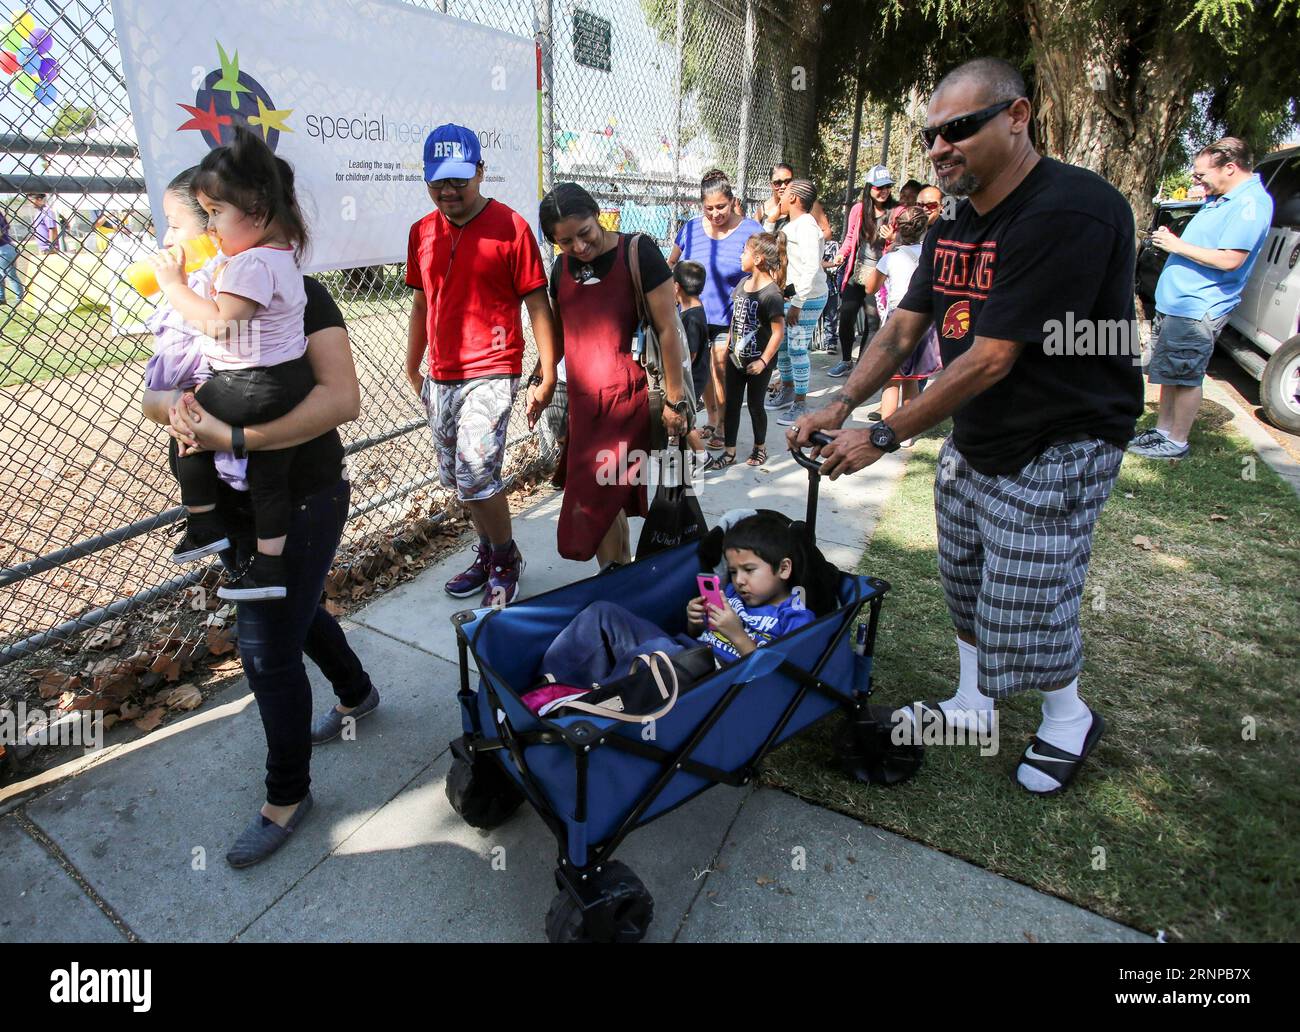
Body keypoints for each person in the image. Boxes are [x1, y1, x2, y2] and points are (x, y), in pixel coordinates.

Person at [790, 57, 1142, 797]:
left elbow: (990, 358)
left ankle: (1069, 718)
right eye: (931, 136)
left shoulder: (1070, 211)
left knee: (1028, 595)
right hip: (980, 430)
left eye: (958, 129)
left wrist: (883, 435)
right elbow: (902, 328)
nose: (940, 147)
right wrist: (839, 404)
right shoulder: (955, 215)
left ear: (1017, 117)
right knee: (966, 579)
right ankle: (974, 705)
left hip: (1062, 436)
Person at [143, 269, 374, 869]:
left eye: (203, 221)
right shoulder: (190, 302)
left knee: (266, 649)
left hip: (302, 497)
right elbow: (154, 398)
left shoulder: (292, 292)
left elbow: (341, 399)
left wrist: (235, 434)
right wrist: (186, 409)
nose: (176, 245)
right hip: (228, 503)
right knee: (289, 610)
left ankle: (287, 798)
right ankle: (356, 692)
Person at [153, 128, 318, 602]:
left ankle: (204, 521)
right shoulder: (281, 254)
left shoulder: (250, 265)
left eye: (215, 213)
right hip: (286, 382)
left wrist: (175, 288)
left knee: (188, 422)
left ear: (258, 211)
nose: (209, 228)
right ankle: (269, 566)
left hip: (248, 382)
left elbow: (222, 324)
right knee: (270, 475)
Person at [405, 123, 558, 606]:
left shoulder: (510, 227)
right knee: (459, 480)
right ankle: (489, 550)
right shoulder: (422, 232)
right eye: (438, 181)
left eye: (459, 179)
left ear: (480, 172)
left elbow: (537, 303)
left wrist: (547, 370)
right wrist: (414, 365)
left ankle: (505, 557)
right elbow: (421, 303)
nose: (449, 190)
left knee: (475, 475)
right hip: (442, 373)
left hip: (493, 367)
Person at [540, 183, 690, 568]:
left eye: (585, 233)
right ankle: (621, 572)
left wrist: (675, 399)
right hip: (584, 405)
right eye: (565, 241)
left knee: (596, 504)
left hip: (626, 402)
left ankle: (611, 581)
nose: (578, 247)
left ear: (597, 214)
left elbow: (668, 329)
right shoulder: (561, 269)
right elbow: (559, 336)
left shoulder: (637, 252)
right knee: (611, 501)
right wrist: (540, 382)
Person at [536, 512, 818, 687]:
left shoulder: (794, 615)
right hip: (683, 653)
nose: (739, 580)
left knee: (658, 653)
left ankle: (593, 706)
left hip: (713, 679)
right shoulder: (734, 594)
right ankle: (550, 686)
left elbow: (781, 679)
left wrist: (738, 634)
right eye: (733, 571)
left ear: (783, 569)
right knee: (603, 613)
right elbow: (698, 637)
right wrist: (695, 622)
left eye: (749, 570)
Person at [1128, 137, 1273, 460]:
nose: (1198, 181)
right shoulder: (1222, 198)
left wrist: (1176, 246)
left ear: (1230, 168)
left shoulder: (1250, 205)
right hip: (1176, 302)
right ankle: (1163, 431)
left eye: (1201, 175)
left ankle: (1177, 441)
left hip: (1198, 306)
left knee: (1186, 374)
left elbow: (1230, 259)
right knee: (1169, 372)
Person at [667, 170, 763, 450]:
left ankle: (722, 424)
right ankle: (710, 418)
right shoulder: (691, 228)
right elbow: (672, 261)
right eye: (708, 208)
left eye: (721, 206)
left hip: (730, 317)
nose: (715, 213)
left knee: (720, 366)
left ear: (732, 201)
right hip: (691, 314)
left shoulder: (749, 230)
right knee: (702, 371)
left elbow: (762, 269)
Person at [703, 231, 786, 471]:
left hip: (759, 362)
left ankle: (760, 448)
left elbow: (778, 333)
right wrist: (729, 344)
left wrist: (763, 361)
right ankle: (729, 453)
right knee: (731, 404)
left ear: (758, 258)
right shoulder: (742, 284)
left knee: (756, 405)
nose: (741, 256)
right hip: (736, 359)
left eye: (745, 252)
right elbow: (735, 320)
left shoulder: (771, 294)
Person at [858, 205, 938, 444]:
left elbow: (869, 287)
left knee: (891, 378)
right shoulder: (931, 255)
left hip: (897, 319)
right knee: (913, 379)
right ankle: (907, 433)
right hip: (924, 320)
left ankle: (888, 430)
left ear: (897, 229)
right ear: (925, 228)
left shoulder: (890, 258)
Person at [828, 166, 897, 378]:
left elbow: (904, 242)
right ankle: (846, 360)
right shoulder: (859, 209)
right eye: (879, 187)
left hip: (880, 274)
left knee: (872, 320)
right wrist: (841, 254)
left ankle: (862, 367)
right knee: (847, 315)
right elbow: (850, 238)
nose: (884, 191)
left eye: (887, 187)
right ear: (869, 188)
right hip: (858, 271)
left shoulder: (895, 211)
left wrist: (893, 238)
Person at [769, 179, 828, 426]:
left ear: (794, 199)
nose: (780, 197)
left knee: (796, 347)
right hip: (792, 297)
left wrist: (798, 303)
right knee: (783, 347)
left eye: (785, 193)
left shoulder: (805, 227)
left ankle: (801, 403)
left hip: (806, 299)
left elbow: (812, 266)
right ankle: (789, 389)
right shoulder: (793, 224)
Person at [759, 163, 833, 239]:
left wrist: (808, 241)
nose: (783, 186)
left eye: (788, 181)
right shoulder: (763, 209)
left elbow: (827, 233)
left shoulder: (806, 202)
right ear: (771, 184)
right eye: (778, 183)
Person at [0, 209, 23, 306]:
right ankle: (1, 298)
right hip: (7, 247)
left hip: (3, 249)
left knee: (9, 275)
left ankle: (20, 298)